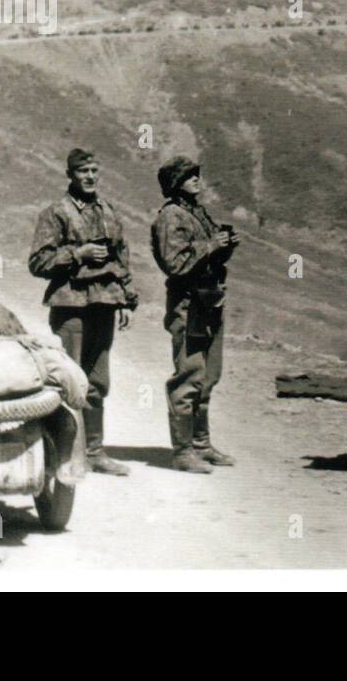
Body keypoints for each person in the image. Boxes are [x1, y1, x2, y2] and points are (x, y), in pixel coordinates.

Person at [28, 148, 139, 476]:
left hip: (103, 304)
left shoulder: (108, 211)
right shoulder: (56, 213)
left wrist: (127, 299)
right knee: (68, 379)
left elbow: (121, 258)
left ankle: (94, 451)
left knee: (97, 380)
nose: (90, 177)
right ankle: (64, 453)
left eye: (94, 170)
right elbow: (38, 262)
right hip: (71, 305)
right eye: (83, 171)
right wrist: (77, 254)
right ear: (70, 175)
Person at [150, 155, 238, 473]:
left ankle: (201, 444)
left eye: (197, 174)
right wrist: (211, 245)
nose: (197, 180)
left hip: (210, 300)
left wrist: (224, 245)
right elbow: (174, 263)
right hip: (188, 305)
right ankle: (183, 451)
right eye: (189, 176)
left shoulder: (196, 212)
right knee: (189, 375)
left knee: (209, 375)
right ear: (176, 184)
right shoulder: (171, 216)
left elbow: (207, 252)